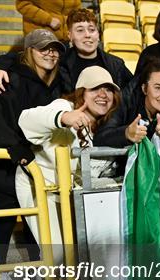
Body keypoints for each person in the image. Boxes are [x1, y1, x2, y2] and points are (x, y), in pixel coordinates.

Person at [0, 29, 65, 280]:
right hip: (1, 159)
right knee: (3, 218)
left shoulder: (55, 80)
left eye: (54, 48)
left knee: (35, 214)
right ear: (29, 52)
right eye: (42, 48)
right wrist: (19, 151)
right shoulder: (10, 78)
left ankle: (38, 267)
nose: (50, 53)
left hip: (30, 159)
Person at [16, 66, 121, 267]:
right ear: (82, 92)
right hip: (39, 187)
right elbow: (26, 119)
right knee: (58, 257)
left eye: (108, 89)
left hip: (66, 192)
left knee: (75, 256)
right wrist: (63, 117)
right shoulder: (64, 105)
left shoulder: (97, 125)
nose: (103, 95)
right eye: (95, 89)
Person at [0, 8, 133, 95]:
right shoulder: (58, 59)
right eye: (80, 30)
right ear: (70, 36)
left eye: (91, 30)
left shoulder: (116, 64)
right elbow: (19, 57)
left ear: (98, 34)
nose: (87, 35)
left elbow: (133, 91)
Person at [95, 62, 160, 147]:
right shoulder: (125, 102)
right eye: (158, 88)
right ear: (144, 89)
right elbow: (100, 138)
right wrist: (126, 133)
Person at [16, 0, 80, 42]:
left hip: (66, 39)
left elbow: (76, 11)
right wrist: (48, 20)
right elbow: (22, 4)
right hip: (41, 38)